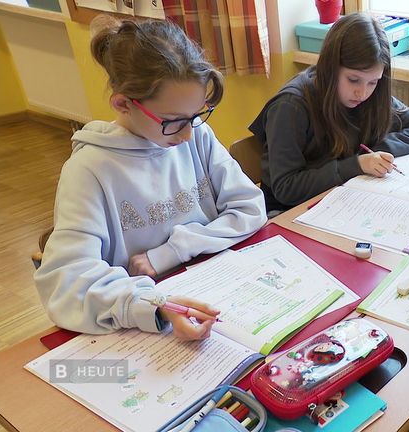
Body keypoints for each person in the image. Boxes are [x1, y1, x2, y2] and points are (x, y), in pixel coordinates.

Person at [34, 16, 267, 341]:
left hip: (214, 292)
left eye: (195, 115)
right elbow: (68, 283)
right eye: (173, 121)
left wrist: (171, 251)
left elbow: (250, 208)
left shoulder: (197, 136)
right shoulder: (89, 170)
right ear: (123, 104)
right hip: (146, 322)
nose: (187, 134)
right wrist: (154, 305)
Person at [249, 13, 409, 213]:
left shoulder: (371, 95)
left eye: (373, 82)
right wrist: (356, 164)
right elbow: (286, 188)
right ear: (331, 68)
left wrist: (374, 154)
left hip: (343, 198)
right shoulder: (291, 106)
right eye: (353, 79)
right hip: (290, 212)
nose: (363, 93)